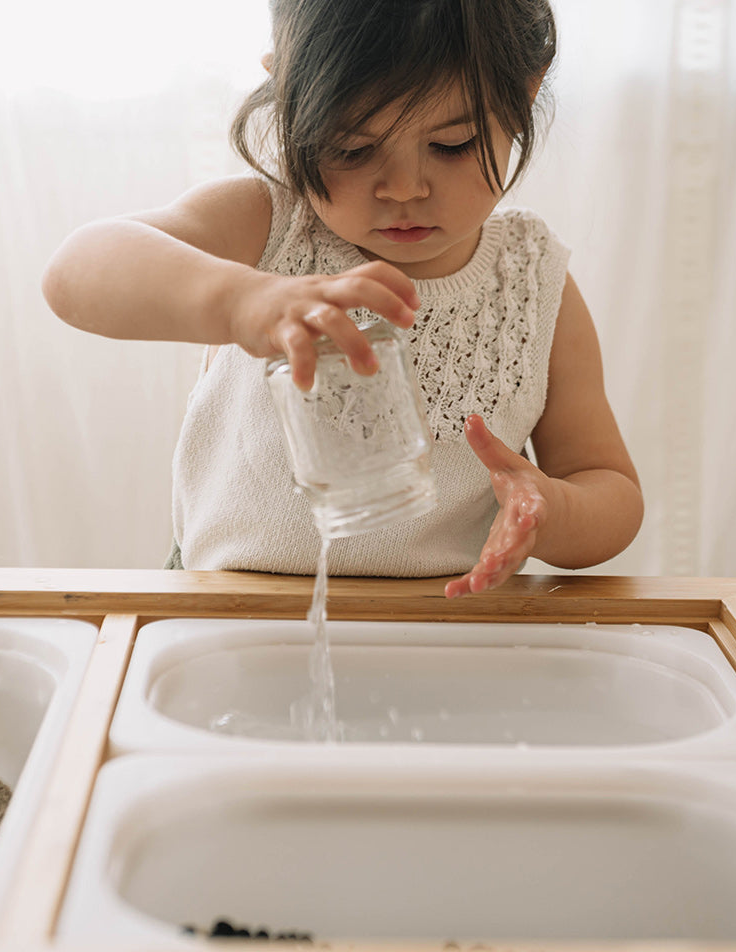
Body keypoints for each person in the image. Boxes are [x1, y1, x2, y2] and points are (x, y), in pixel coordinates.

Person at [42, 0, 643, 598]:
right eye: (353, 149)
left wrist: (551, 511)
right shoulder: (269, 226)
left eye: (452, 144)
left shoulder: (532, 278)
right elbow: (75, 269)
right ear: (289, 96)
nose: (403, 188)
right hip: (229, 610)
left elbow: (607, 485)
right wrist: (241, 299)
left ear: (525, 91)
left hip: (448, 626)